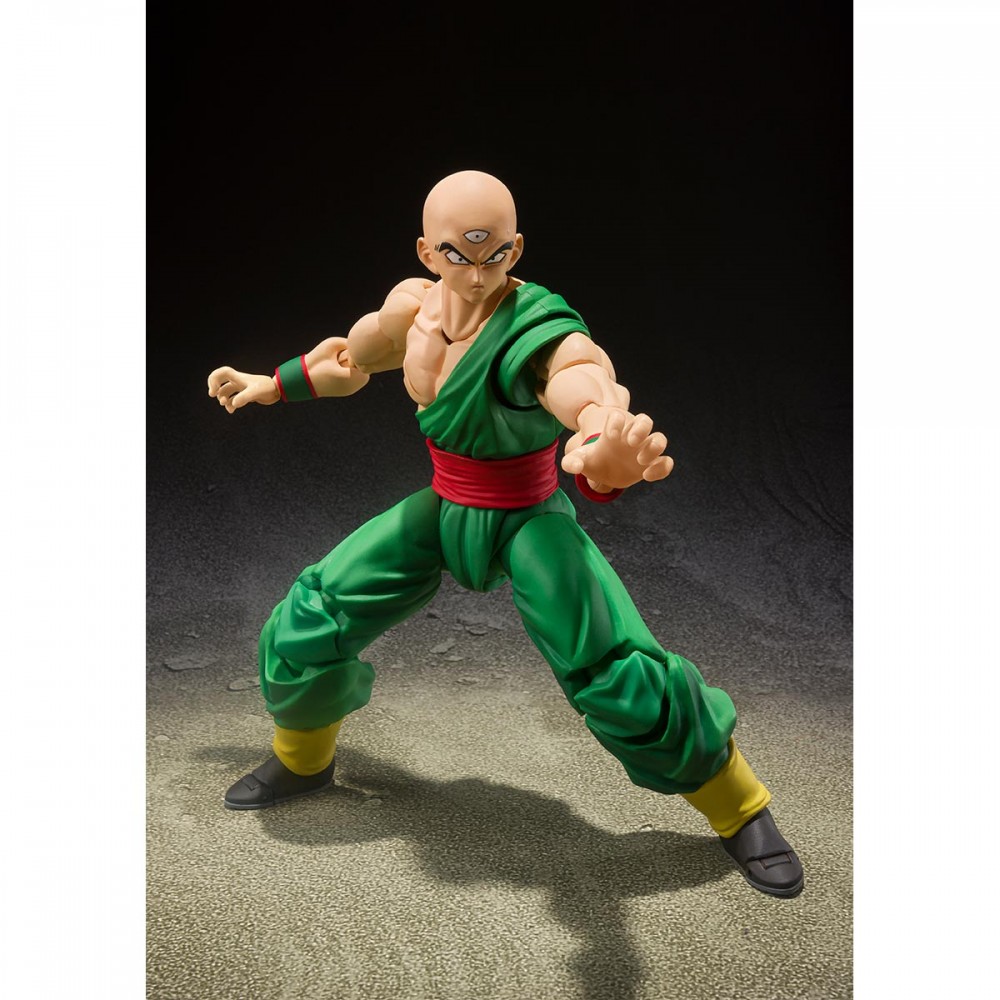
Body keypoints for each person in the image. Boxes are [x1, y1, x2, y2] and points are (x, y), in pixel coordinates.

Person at [207, 170, 803, 897]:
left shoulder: (539, 331)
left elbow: (582, 384)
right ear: (427, 252)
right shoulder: (410, 309)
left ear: (516, 249)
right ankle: (304, 761)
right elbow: (347, 362)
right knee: (312, 613)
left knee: (614, 672)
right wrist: (272, 384)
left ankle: (740, 807)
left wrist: (602, 443)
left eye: (494, 256)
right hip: (443, 506)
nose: (478, 273)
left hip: (529, 519)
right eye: (458, 255)